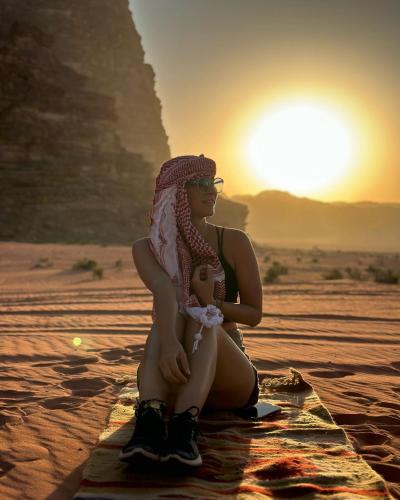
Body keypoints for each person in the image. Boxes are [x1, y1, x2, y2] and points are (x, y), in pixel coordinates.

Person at [119, 154, 262, 470]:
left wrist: (209, 301)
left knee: (203, 317)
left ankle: (184, 430)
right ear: (176, 193)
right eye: (200, 184)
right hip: (177, 373)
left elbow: (253, 314)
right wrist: (170, 341)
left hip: (230, 380)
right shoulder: (147, 248)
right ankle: (151, 422)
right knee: (169, 321)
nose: (211, 191)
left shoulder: (234, 241)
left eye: (213, 183)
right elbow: (165, 291)